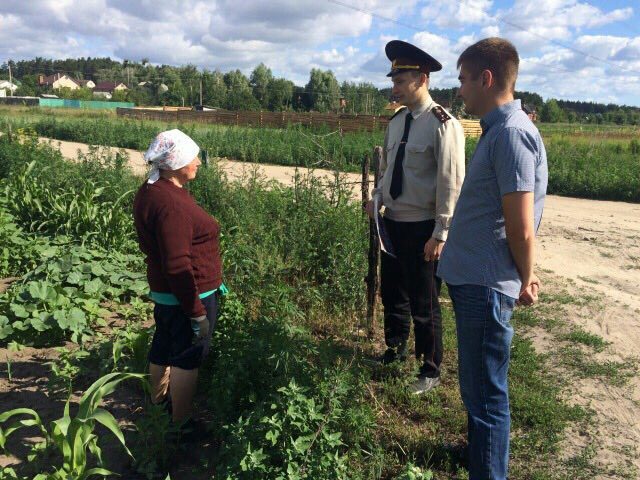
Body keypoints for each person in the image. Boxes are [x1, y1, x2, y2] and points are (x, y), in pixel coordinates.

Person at [438, 38, 548, 479]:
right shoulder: (498, 129)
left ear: (486, 79)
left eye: (464, 79)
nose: (460, 90)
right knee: (477, 391)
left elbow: (520, 225)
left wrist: (529, 277)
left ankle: (488, 470)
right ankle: (479, 455)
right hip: (474, 280)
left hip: (485, 285)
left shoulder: (511, 133)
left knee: (486, 397)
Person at [366, 40, 466, 395]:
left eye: (400, 80)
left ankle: (430, 367)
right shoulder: (397, 122)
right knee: (392, 293)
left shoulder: (443, 124)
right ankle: (395, 349)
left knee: (424, 299)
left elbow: (451, 181)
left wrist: (441, 232)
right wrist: (377, 196)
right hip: (392, 222)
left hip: (423, 226)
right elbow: (387, 169)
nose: (393, 87)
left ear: (421, 79)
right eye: (393, 79)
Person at [133, 129, 225, 425]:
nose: (198, 161)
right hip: (187, 295)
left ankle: (157, 408)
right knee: (187, 357)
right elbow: (177, 266)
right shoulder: (170, 204)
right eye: (192, 157)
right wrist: (196, 313)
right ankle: (180, 424)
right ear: (175, 163)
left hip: (167, 293)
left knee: (163, 345)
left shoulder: (155, 189)